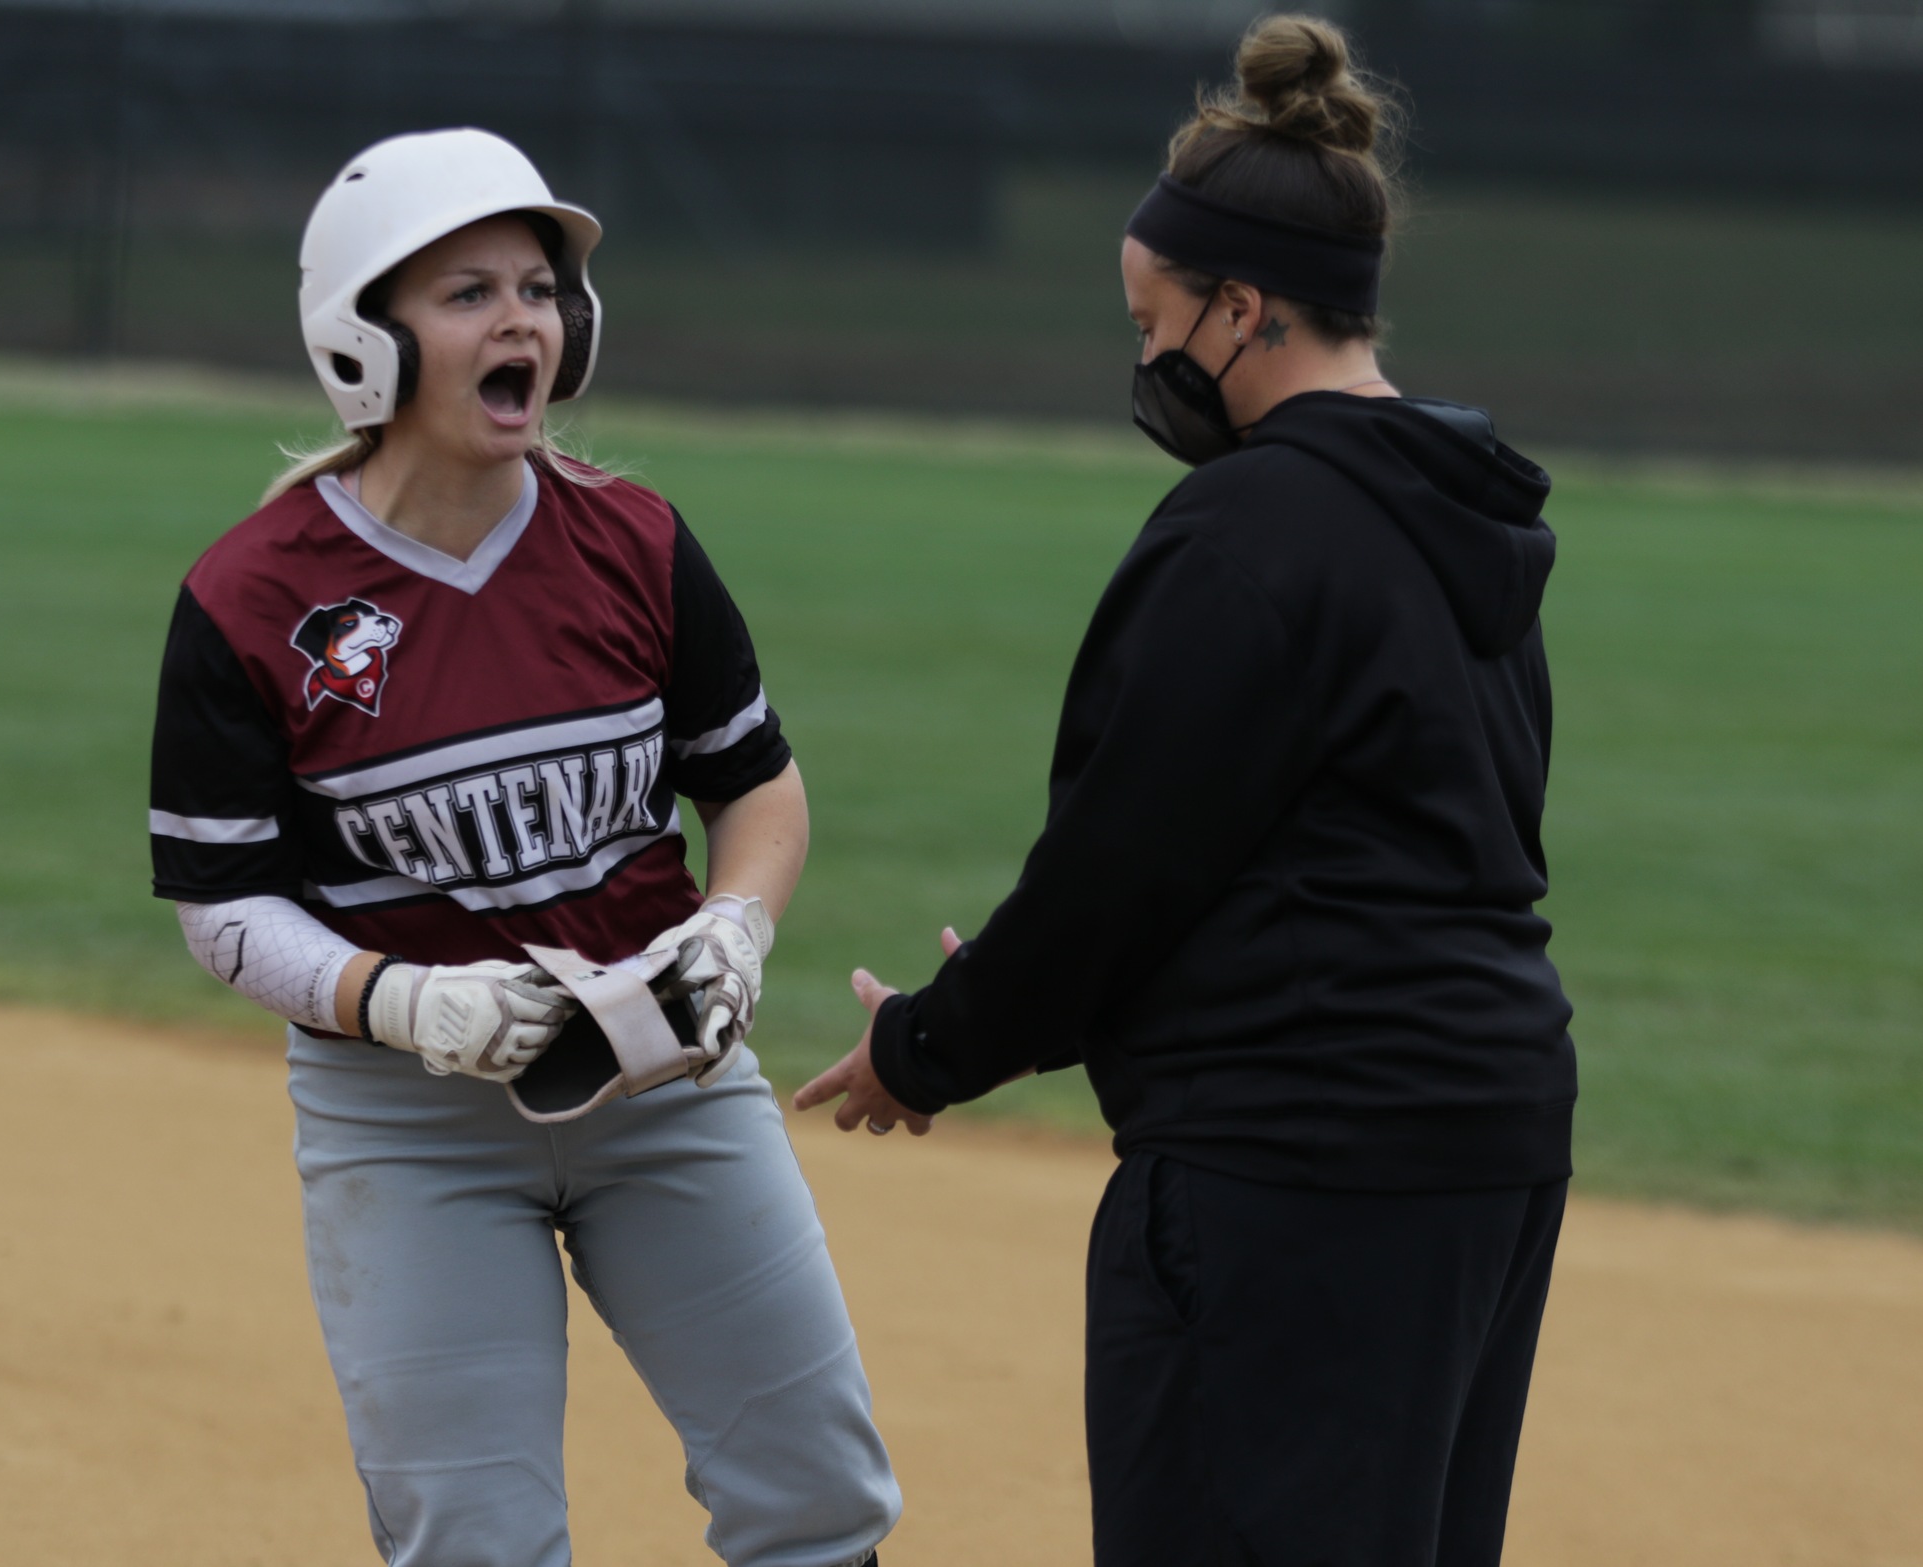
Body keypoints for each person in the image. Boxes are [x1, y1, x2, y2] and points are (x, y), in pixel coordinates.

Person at [794, 16, 1575, 1567]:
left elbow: (1121, 867)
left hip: (1294, 1162)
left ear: (1243, 306)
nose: (1147, 360)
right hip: (1483, 1132)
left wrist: (928, 1048)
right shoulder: (1461, 515)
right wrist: (1060, 1001)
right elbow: (1320, 850)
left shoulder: (1249, 531)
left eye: (1156, 322)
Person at [149, 128, 898, 1567]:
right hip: (410, 1125)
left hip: (671, 1082)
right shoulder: (253, 599)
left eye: (540, 291)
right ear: (364, 342)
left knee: (817, 1496)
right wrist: (401, 999)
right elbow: (224, 904)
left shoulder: (632, 540)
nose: (521, 323)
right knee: (476, 1541)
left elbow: (759, 790)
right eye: (468, 294)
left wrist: (737, 926)